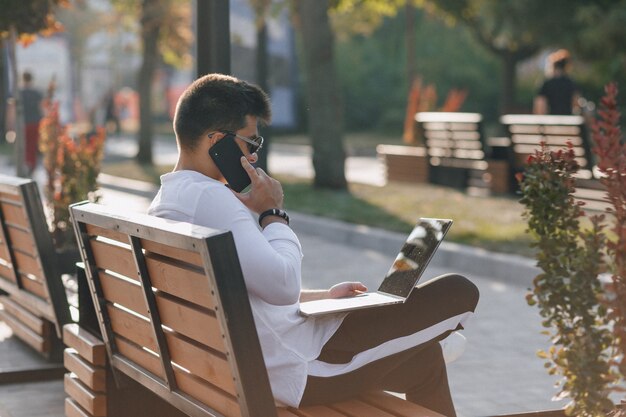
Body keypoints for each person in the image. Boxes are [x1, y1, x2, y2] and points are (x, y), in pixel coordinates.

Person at [148, 73, 479, 416]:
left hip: (260, 361)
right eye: (251, 143)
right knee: (458, 290)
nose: (255, 157)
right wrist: (273, 213)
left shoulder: (167, 201)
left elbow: (242, 290)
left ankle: (425, 338)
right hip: (302, 367)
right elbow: (282, 286)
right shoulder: (211, 197)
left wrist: (324, 297)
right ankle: (431, 333)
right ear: (216, 141)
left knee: (425, 362)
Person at [533, 49, 580, 115]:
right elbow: (576, 104)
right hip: (567, 120)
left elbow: (540, 105)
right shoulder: (571, 83)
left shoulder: (546, 83)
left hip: (550, 121)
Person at [20, 71, 44, 175]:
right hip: (35, 123)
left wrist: (10, 125)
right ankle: (32, 165)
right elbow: (41, 109)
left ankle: (27, 164)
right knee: (33, 145)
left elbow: (12, 110)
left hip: (23, 123)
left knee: (24, 145)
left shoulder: (19, 93)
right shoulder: (37, 93)